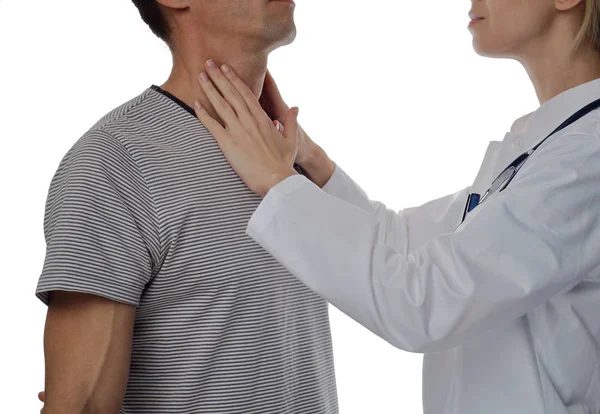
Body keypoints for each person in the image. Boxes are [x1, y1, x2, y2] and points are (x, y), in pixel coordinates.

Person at [187, 0, 600, 412]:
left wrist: (275, 183)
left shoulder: (585, 160)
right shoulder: (550, 145)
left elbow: (426, 303)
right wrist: (310, 163)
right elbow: (403, 244)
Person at [35, 0, 340, 413]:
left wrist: (311, 160)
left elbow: (402, 273)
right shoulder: (113, 165)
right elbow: (83, 407)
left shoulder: (287, 154)